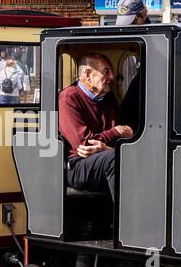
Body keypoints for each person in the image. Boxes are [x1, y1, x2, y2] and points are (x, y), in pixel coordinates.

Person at [57, 53, 134, 199]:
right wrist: (115, 132)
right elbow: (84, 144)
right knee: (114, 159)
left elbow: (111, 144)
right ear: (87, 74)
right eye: (106, 72)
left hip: (105, 156)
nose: (111, 77)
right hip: (77, 165)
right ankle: (125, 219)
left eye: (111, 72)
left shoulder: (109, 99)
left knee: (128, 157)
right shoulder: (69, 97)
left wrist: (107, 146)